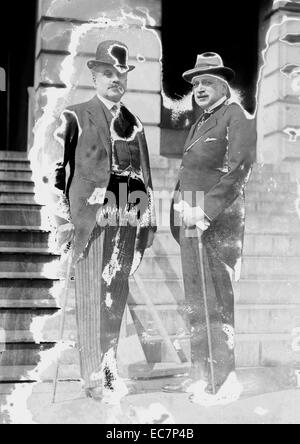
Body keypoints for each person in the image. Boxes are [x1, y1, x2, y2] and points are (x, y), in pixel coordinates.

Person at [53, 40, 156, 403]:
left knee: (116, 292)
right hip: (90, 217)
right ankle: (90, 376)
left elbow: (145, 175)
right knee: (91, 295)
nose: (115, 80)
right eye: (108, 74)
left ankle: (110, 366)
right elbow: (59, 171)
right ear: (94, 77)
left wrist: (147, 226)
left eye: (120, 74)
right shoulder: (76, 116)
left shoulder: (135, 123)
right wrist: (63, 219)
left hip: (127, 213)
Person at [164, 52, 256, 405]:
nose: (199, 88)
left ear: (223, 85)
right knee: (196, 303)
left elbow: (239, 169)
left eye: (207, 82)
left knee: (216, 302)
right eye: (196, 83)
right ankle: (202, 374)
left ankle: (225, 379)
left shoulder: (235, 116)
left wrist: (203, 212)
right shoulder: (200, 122)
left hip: (214, 224)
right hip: (189, 223)